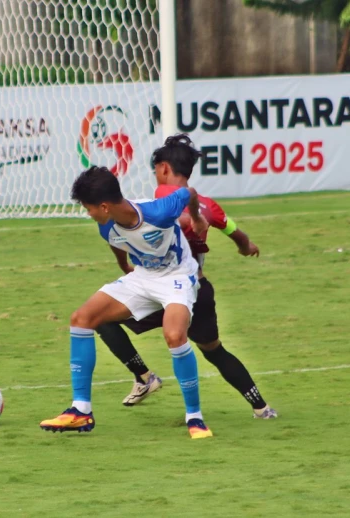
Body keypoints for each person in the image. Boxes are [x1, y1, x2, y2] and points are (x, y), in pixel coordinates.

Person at [96, 134, 277, 418]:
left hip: (169, 288)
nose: (156, 176)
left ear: (164, 168)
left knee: (103, 319)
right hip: (200, 289)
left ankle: (144, 376)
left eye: (156, 170)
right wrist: (247, 247)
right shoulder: (209, 205)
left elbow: (170, 221)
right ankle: (262, 407)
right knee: (214, 351)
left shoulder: (162, 196)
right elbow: (238, 235)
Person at [40, 166, 214, 439]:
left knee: (174, 335)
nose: (88, 213)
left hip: (177, 277)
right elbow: (115, 240)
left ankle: (195, 416)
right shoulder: (105, 225)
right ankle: (81, 410)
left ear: (105, 206)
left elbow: (188, 193)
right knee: (81, 318)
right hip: (143, 277)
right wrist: (123, 265)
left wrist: (196, 218)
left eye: (89, 208)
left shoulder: (159, 212)